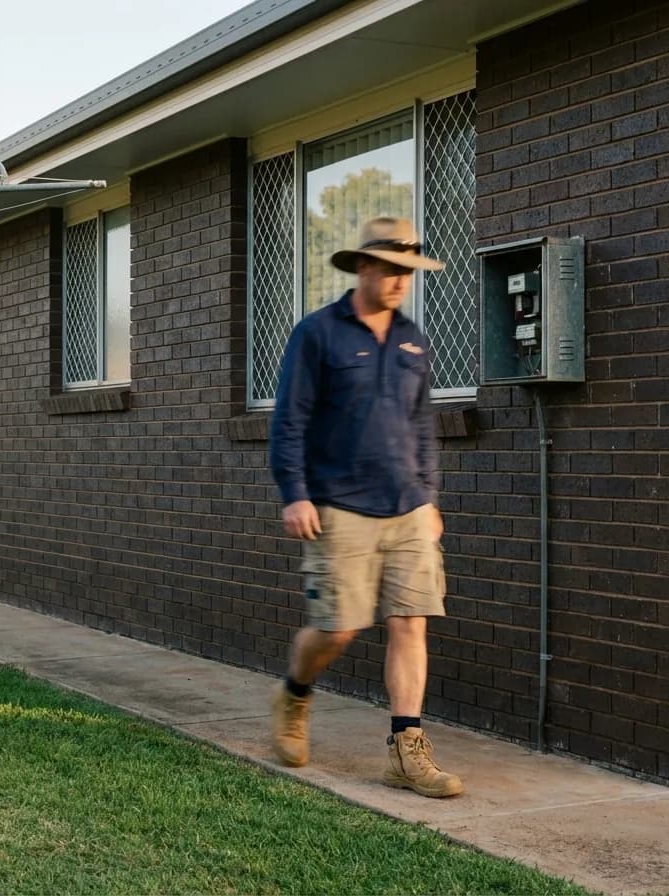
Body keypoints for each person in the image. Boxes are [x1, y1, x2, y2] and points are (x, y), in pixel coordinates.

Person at [268, 217, 462, 799]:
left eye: (410, 271)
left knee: (411, 622)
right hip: (340, 506)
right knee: (338, 630)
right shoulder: (317, 333)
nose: (403, 280)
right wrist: (295, 492)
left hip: (407, 507)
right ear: (365, 267)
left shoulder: (413, 340)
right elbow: (289, 421)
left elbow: (422, 426)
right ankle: (295, 694)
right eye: (394, 269)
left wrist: (429, 495)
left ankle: (406, 750)